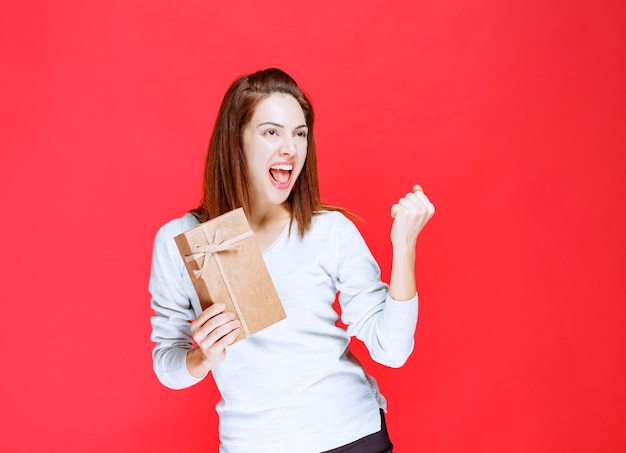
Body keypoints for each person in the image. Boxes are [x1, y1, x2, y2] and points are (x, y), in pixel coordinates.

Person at [149, 68, 435, 453]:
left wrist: (404, 246)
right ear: (236, 141)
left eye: (300, 133)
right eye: (271, 132)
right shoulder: (182, 239)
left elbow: (392, 350)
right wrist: (202, 358)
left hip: (352, 437)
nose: (290, 148)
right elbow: (167, 362)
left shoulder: (328, 230)